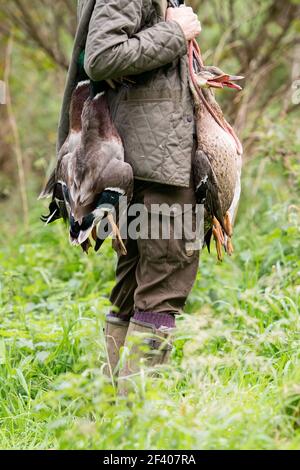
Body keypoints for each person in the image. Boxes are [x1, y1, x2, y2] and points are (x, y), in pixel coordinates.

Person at [57, 0, 202, 392]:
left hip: (141, 158)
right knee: (163, 280)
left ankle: (111, 417)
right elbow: (102, 57)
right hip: (157, 161)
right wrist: (174, 33)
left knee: (132, 286)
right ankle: (138, 427)